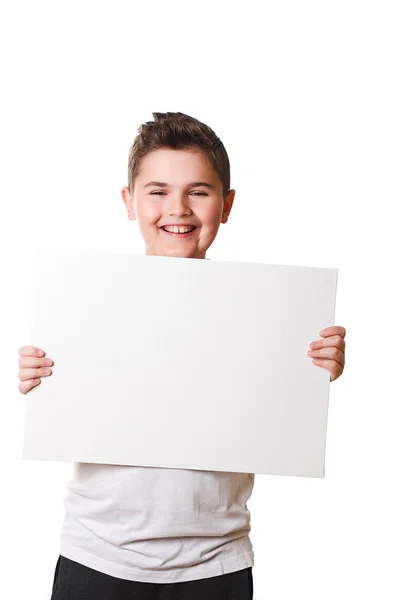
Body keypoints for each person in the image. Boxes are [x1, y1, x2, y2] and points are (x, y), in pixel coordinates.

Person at [18, 111, 346, 599]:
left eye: (199, 191)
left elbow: (279, 406)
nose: (179, 208)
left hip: (215, 562)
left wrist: (315, 371)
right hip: (97, 554)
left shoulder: (266, 314)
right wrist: (35, 375)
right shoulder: (84, 305)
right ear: (129, 202)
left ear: (226, 204)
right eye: (157, 191)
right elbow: (63, 399)